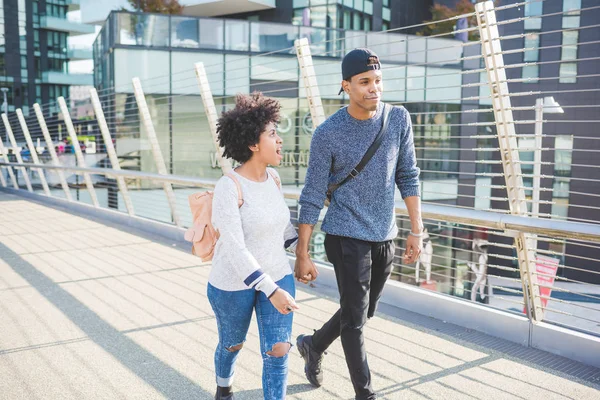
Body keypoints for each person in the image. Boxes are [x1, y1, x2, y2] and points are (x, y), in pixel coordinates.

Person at [294, 48, 424, 400]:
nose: (374, 89)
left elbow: (408, 176)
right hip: (345, 234)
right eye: (365, 82)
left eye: (378, 81)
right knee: (354, 321)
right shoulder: (328, 133)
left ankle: (312, 344)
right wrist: (302, 253)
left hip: (385, 235)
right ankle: (365, 394)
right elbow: (312, 194)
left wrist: (416, 229)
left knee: (364, 310)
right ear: (346, 86)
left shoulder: (398, 119)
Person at [208, 92, 299, 400]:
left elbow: (281, 227)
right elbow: (234, 248)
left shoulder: (274, 178)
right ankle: (224, 387)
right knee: (232, 344)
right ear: (252, 144)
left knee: (278, 349)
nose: (280, 140)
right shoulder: (228, 186)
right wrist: (270, 289)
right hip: (233, 283)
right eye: (272, 134)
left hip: (278, 273)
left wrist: (302, 254)